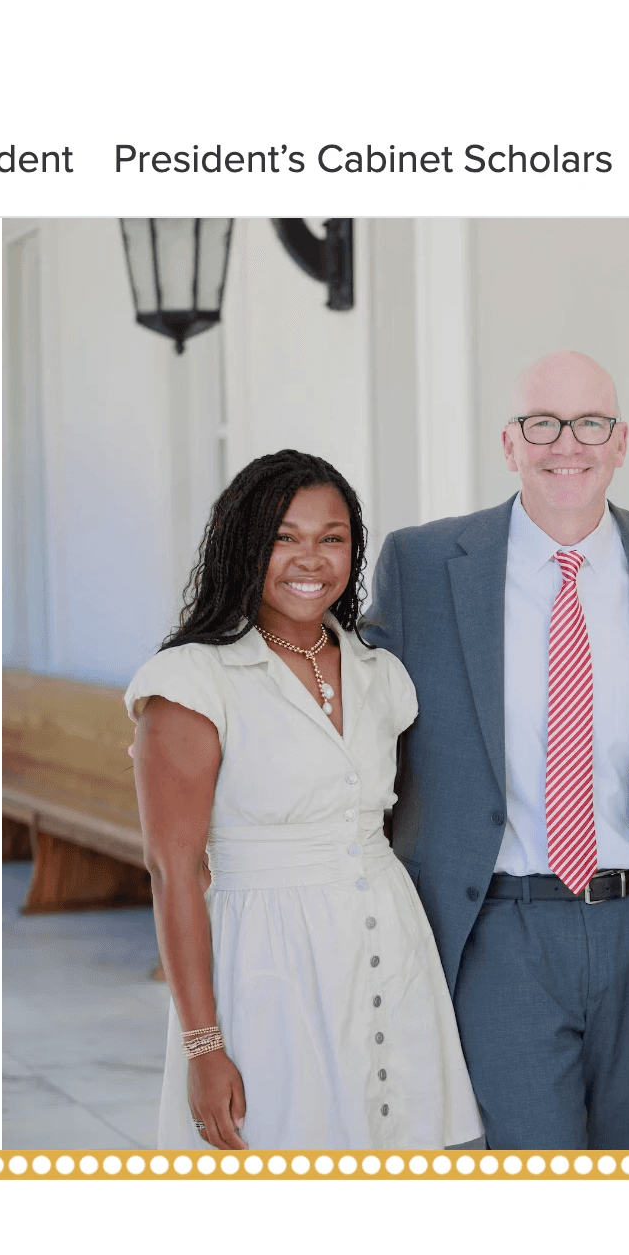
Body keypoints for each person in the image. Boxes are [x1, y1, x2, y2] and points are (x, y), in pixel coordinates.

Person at [361, 352, 629, 1148]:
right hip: (497, 923)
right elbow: (356, 704)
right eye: (542, 424)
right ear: (508, 443)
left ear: (620, 443)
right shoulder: (425, 565)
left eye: (590, 424)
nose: (567, 444)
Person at [126, 450, 480, 1150]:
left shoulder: (384, 677)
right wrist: (203, 1046)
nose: (309, 558)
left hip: (388, 943)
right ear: (244, 546)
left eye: (331, 538)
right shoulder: (192, 681)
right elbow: (174, 871)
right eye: (284, 537)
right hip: (267, 963)